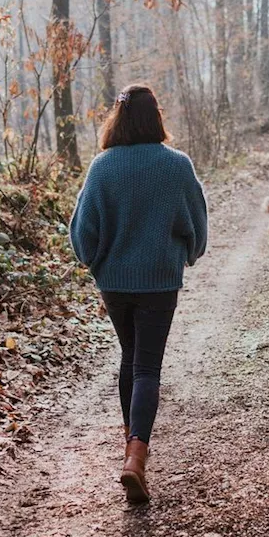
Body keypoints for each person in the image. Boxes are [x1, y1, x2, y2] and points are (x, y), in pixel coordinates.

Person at [68, 84, 209, 504]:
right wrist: (188, 253)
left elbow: (82, 231)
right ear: (157, 118)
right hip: (160, 281)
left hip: (114, 282)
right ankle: (136, 455)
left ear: (118, 118)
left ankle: (132, 445)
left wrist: (93, 261)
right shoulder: (177, 165)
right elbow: (197, 224)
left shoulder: (102, 167)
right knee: (147, 367)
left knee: (129, 359)